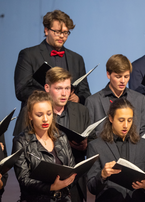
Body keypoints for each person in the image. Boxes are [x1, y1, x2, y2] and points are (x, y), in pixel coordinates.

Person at [14, 10, 91, 135]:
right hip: (35, 125)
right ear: (46, 30)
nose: (62, 36)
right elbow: (21, 91)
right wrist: (50, 96)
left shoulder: (77, 59)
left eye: (66, 33)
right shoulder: (29, 55)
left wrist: (78, 98)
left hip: (69, 125)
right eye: (57, 32)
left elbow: (86, 93)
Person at [12, 91, 76, 202]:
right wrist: (51, 188)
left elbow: (71, 169)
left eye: (49, 113)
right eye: (39, 115)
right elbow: (24, 179)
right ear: (30, 115)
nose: (45, 119)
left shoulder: (61, 137)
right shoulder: (21, 141)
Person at [87, 98, 145, 202]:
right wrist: (102, 175)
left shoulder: (143, 144)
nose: (126, 125)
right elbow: (92, 188)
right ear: (111, 118)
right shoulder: (95, 146)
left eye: (129, 120)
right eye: (121, 120)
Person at [44, 67, 91, 202]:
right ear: (47, 88)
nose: (64, 93)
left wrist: (85, 146)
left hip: (75, 182)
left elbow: (93, 141)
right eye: (59, 88)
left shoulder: (82, 111)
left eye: (67, 88)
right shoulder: (38, 112)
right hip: (47, 183)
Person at [85, 54, 145, 137]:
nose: (123, 81)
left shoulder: (139, 99)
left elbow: (144, 131)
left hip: (133, 148)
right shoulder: (93, 101)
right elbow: (90, 135)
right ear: (108, 74)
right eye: (118, 77)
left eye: (126, 76)